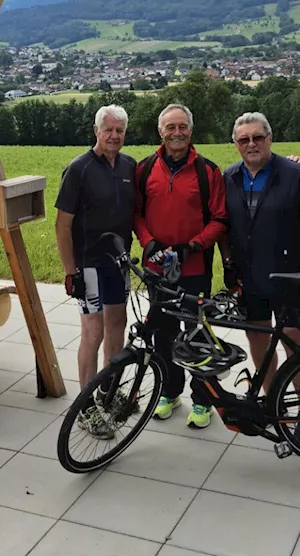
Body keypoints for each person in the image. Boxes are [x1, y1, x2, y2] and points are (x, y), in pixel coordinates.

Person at [216, 112, 300, 444]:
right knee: (260, 343)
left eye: (257, 137)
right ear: (236, 144)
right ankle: (275, 403)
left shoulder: (294, 174)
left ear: (270, 138)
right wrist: (227, 260)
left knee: (294, 341)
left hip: (289, 275)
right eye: (244, 139)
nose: (251, 144)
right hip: (250, 277)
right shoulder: (229, 178)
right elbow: (223, 224)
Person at [133, 103, 229, 429]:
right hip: (158, 271)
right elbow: (137, 215)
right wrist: (148, 242)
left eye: (182, 127)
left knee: (197, 336)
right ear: (160, 131)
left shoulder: (208, 171)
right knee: (163, 335)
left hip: (194, 269)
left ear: (191, 130)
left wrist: (194, 246)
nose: (176, 133)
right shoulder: (145, 168)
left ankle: (202, 399)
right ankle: (169, 391)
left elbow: (219, 220)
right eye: (170, 127)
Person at [54, 104, 137, 437]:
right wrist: (70, 270)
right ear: (96, 131)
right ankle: (86, 406)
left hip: (119, 261)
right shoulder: (80, 169)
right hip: (88, 264)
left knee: (118, 324)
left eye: (119, 130)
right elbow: (62, 225)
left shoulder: (130, 165)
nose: (114, 136)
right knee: (93, 331)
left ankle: (108, 388)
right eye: (108, 130)